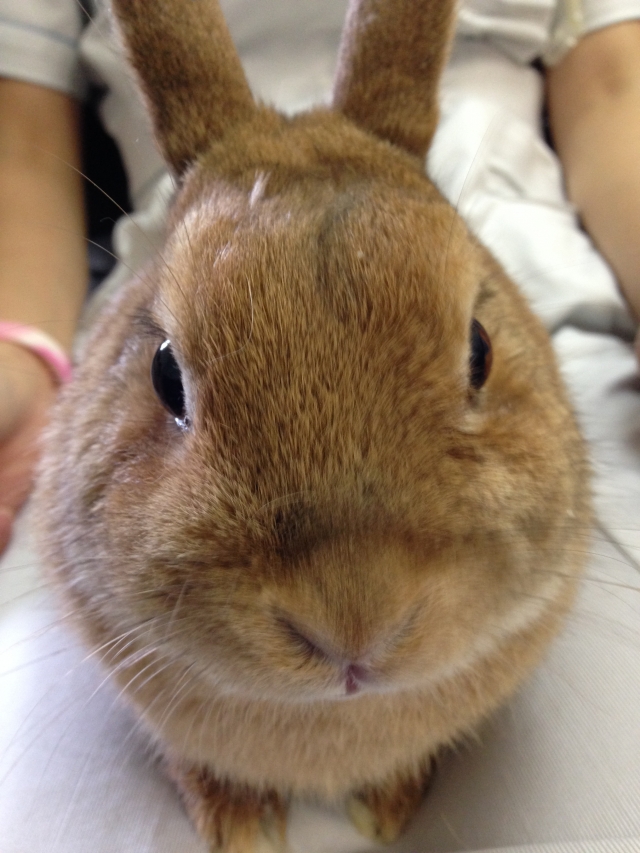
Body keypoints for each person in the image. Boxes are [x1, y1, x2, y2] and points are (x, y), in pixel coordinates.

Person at [0, 0, 639, 557]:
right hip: (185, 267)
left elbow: (614, 89)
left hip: (532, 282)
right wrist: (22, 355)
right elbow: (24, 149)